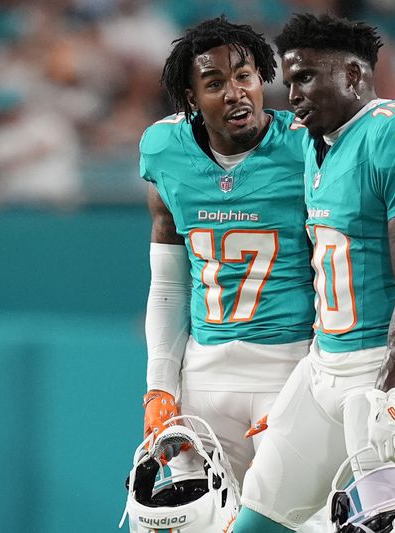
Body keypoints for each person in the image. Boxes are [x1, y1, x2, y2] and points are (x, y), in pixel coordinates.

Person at [234, 14, 395, 532]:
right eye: (289, 79)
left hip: (391, 372)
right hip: (324, 367)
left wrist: (386, 392)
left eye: (305, 78)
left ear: (353, 74)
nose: (292, 92)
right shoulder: (314, 140)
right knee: (257, 519)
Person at [137, 16, 314, 485]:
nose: (235, 92)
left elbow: (340, 270)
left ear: (262, 79)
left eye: (244, 76)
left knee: (301, 516)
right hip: (205, 374)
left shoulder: (307, 146)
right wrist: (159, 386)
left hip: (291, 365)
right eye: (215, 83)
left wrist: (318, 382)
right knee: (190, 516)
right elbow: (170, 282)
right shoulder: (164, 149)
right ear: (193, 99)